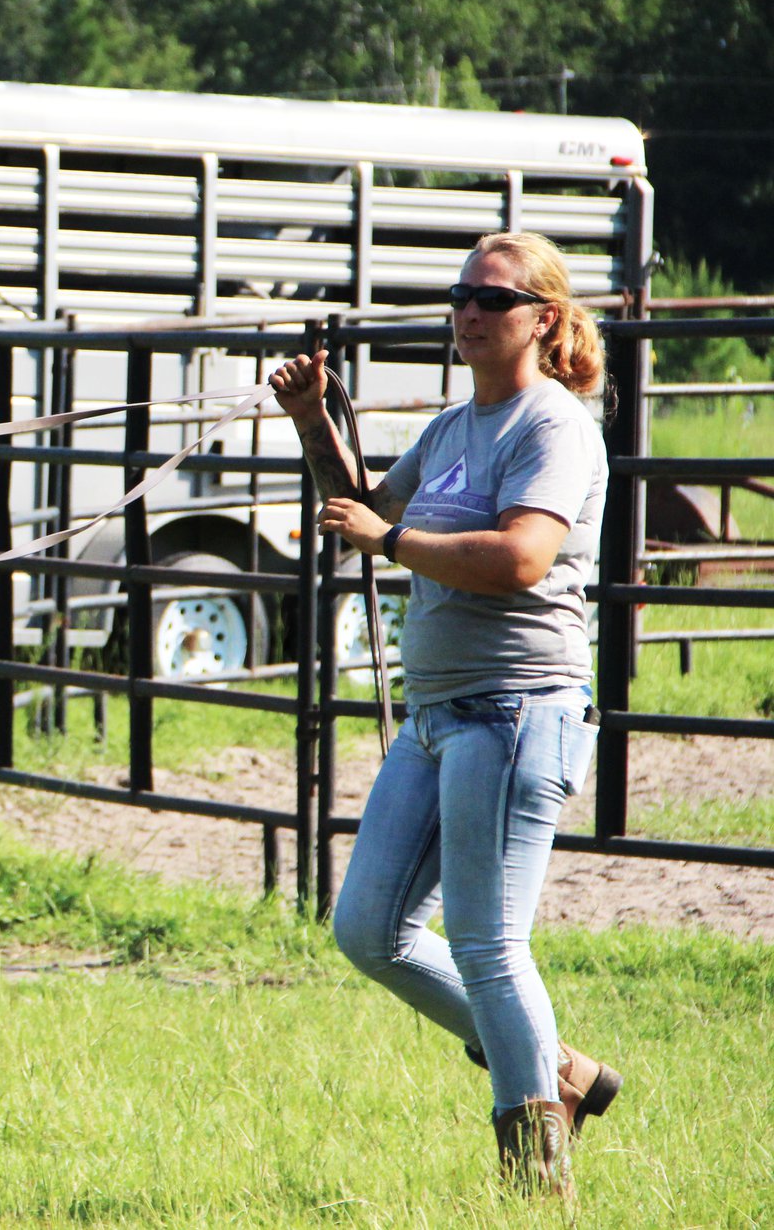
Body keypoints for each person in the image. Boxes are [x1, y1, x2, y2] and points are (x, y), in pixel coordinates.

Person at [269, 231, 621, 1197]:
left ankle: (536, 1177)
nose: (468, 311)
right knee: (367, 928)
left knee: (487, 943)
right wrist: (312, 419)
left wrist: (392, 540)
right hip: (437, 714)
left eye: (492, 298)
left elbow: (520, 558)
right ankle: (557, 1068)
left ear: (542, 319)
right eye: (460, 294)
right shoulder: (454, 427)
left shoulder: (553, 426)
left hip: (516, 710)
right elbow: (361, 511)